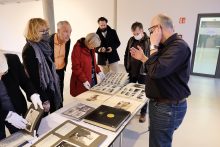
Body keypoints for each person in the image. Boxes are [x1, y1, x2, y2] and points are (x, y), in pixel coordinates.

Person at [130, 14, 191, 147]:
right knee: (157, 141)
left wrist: (153, 45)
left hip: (167, 107)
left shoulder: (178, 47)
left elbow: (156, 71)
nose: (150, 33)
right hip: (162, 105)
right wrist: (143, 59)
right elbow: (157, 67)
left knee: (159, 144)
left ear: (158, 28)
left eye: (151, 30)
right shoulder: (167, 46)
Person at [22, 18, 62, 114]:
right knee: (45, 121)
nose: (46, 33)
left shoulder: (44, 45)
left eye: (47, 30)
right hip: (41, 92)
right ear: (33, 32)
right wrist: (44, 99)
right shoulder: (29, 50)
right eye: (42, 31)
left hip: (50, 86)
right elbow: (34, 78)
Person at [0, 51, 43, 140]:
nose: (1, 78)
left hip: (16, 107)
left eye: (3, 73)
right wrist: (7, 115)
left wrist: (33, 94)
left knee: (22, 136)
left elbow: (25, 81)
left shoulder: (13, 59)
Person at [124, 22, 150, 123]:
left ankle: (143, 113)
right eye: (134, 34)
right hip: (132, 70)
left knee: (144, 92)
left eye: (137, 33)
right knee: (130, 91)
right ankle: (131, 110)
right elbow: (127, 53)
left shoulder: (149, 41)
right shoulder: (131, 40)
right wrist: (127, 66)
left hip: (143, 72)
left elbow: (151, 56)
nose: (136, 36)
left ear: (142, 31)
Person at [49, 21, 72, 106]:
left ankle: (60, 108)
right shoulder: (48, 41)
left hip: (61, 70)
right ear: (58, 31)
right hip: (51, 72)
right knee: (51, 94)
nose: (68, 34)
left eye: (70, 31)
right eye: (65, 31)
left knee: (60, 92)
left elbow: (65, 55)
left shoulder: (68, 41)